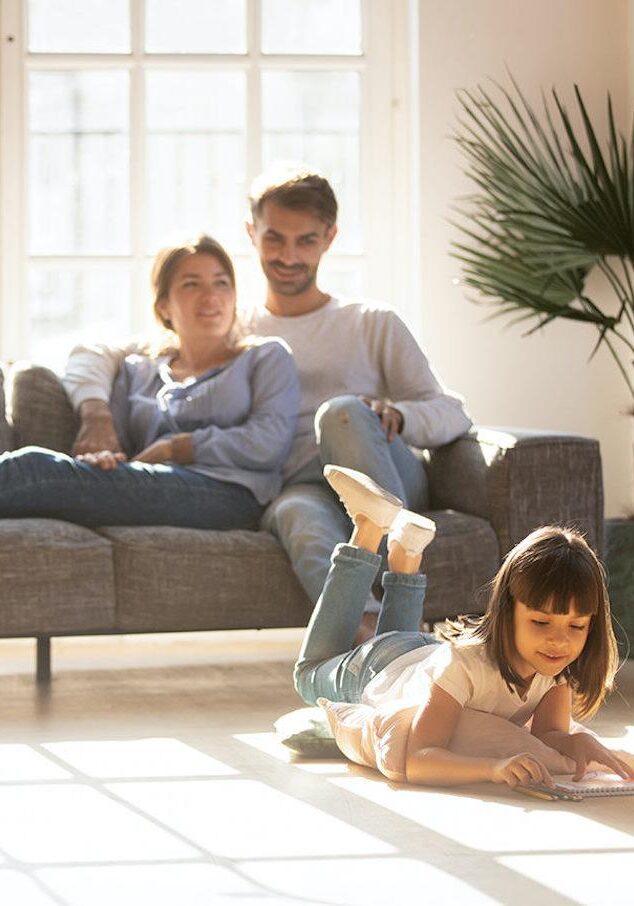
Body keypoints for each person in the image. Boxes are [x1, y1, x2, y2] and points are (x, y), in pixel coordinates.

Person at [62, 166, 471, 619]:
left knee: (341, 414)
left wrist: (399, 414)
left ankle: (400, 557)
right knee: (296, 516)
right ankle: (371, 638)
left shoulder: (371, 322)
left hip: (377, 470)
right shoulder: (233, 326)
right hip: (301, 485)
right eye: (275, 238)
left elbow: (452, 413)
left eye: (306, 241)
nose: (289, 256)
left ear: (330, 238)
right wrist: (96, 413)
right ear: (252, 233)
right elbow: (99, 350)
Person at [295, 465, 634, 787]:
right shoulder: (466, 667)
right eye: (541, 621)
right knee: (308, 676)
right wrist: (492, 769)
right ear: (506, 609)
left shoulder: (555, 665)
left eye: (576, 626)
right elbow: (418, 759)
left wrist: (577, 742)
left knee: (393, 643)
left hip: (419, 654)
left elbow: (547, 735)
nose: (559, 640)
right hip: (377, 668)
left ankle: (408, 551)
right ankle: (368, 528)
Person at [0, 235, 299, 530]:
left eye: (221, 283)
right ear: (164, 307)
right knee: (38, 476)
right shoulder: (138, 370)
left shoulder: (266, 356)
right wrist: (104, 456)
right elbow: (120, 449)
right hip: (146, 482)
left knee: (33, 470)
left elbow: (267, 443)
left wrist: (176, 448)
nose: (211, 297)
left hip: (228, 492)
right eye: (192, 284)